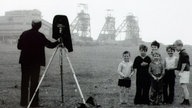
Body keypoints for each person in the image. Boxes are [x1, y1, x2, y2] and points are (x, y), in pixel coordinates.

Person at [17, 19, 59, 107]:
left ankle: (23, 103)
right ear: (40, 26)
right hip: (36, 63)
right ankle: (34, 103)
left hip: (25, 62)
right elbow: (50, 45)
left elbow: (19, 46)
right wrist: (58, 41)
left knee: (24, 82)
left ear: (31, 25)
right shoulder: (41, 36)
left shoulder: (24, 34)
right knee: (34, 83)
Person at [174, 40, 190, 105]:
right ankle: (186, 100)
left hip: (184, 71)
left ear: (180, 46)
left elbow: (184, 64)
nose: (175, 48)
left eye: (176, 47)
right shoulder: (182, 52)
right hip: (185, 71)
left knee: (184, 86)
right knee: (183, 86)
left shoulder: (183, 53)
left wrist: (181, 72)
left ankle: (187, 101)